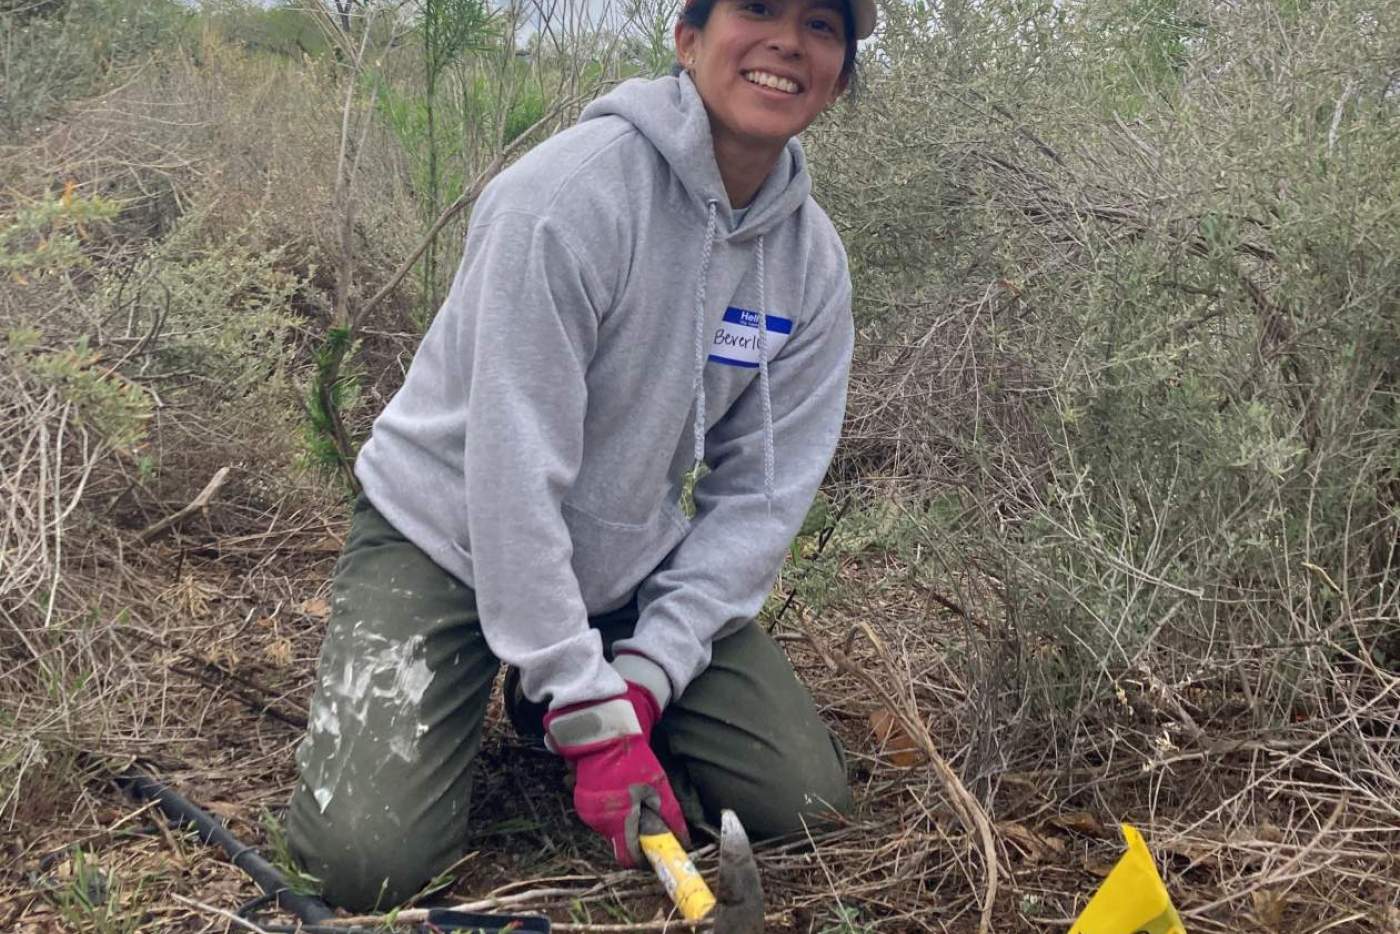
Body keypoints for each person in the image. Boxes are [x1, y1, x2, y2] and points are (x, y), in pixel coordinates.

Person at [287, 0, 876, 911]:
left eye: (822, 26)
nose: (788, 42)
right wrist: (593, 716)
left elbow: (759, 499)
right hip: (446, 534)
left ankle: (548, 696)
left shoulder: (812, 266)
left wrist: (642, 678)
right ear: (687, 39)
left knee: (798, 800)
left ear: (838, 78)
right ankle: (550, 683)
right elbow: (511, 474)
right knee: (365, 867)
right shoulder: (564, 199)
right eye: (755, 9)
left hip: (622, 557)